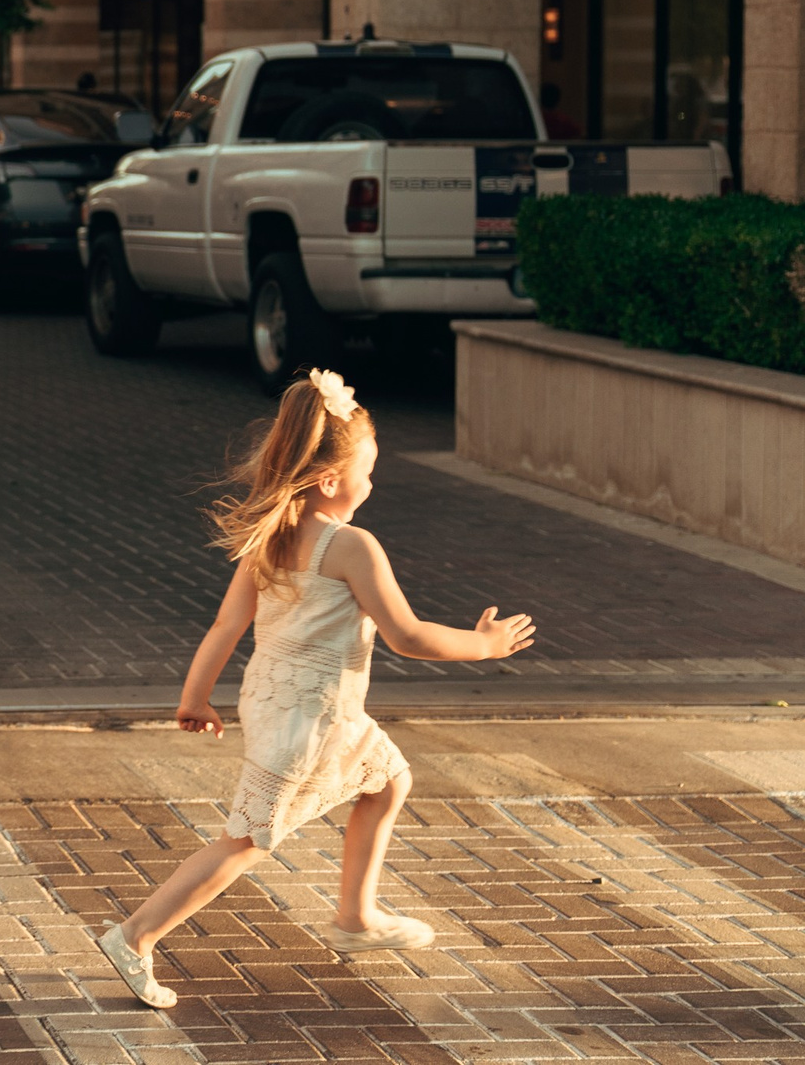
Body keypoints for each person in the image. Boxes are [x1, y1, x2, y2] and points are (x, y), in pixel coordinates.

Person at [96, 370, 539, 1008]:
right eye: (368, 470)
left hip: (283, 703)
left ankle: (356, 918)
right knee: (247, 840)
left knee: (388, 781)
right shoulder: (350, 545)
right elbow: (407, 636)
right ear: (331, 480)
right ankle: (136, 935)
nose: (372, 482)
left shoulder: (270, 540)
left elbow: (226, 625)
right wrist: (485, 645)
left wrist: (195, 696)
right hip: (311, 720)